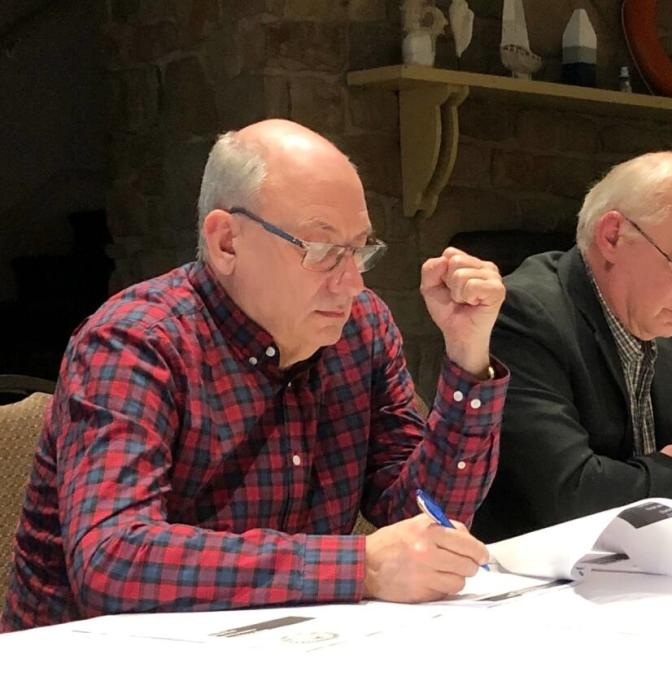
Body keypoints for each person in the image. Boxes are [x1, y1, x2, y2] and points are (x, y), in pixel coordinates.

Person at [2, 119, 509, 632]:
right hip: (85, 671)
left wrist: (468, 354)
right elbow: (112, 558)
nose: (351, 282)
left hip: (281, 647)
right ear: (226, 242)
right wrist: (362, 565)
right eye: (321, 249)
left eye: (359, 249)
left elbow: (421, 515)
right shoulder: (134, 342)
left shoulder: (361, 329)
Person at [472, 152, 672, 542]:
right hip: (540, 581)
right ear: (613, 237)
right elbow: (572, 495)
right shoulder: (524, 316)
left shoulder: (670, 319)